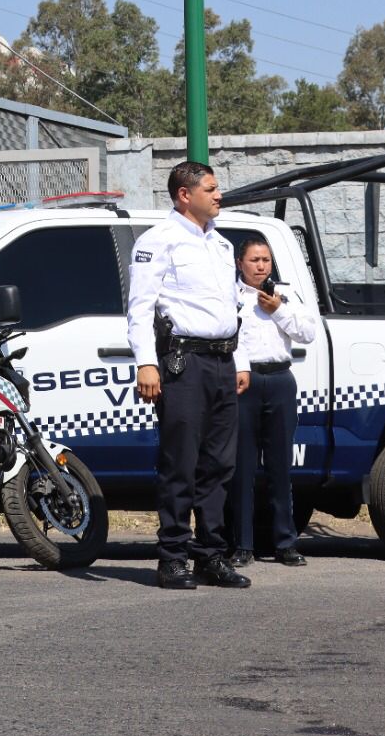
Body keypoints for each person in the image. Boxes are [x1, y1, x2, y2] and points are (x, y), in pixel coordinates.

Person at [127, 161, 252, 590]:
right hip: (183, 363)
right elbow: (140, 308)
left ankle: (210, 555)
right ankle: (173, 557)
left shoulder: (221, 244)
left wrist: (241, 361)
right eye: (211, 189)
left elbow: (232, 308)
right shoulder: (158, 240)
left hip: (221, 362)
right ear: (185, 195)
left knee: (219, 465)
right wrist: (146, 362)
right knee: (180, 462)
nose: (219, 196)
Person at [226, 238, 318, 568]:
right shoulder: (230, 296)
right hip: (245, 382)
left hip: (279, 380)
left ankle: (286, 542)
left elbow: (308, 333)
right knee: (242, 467)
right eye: (254, 260)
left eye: (265, 259)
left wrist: (277, 309)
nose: (261, 266)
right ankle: (242, 544)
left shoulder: (285, 294)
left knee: (280, 466)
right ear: (240, 263)